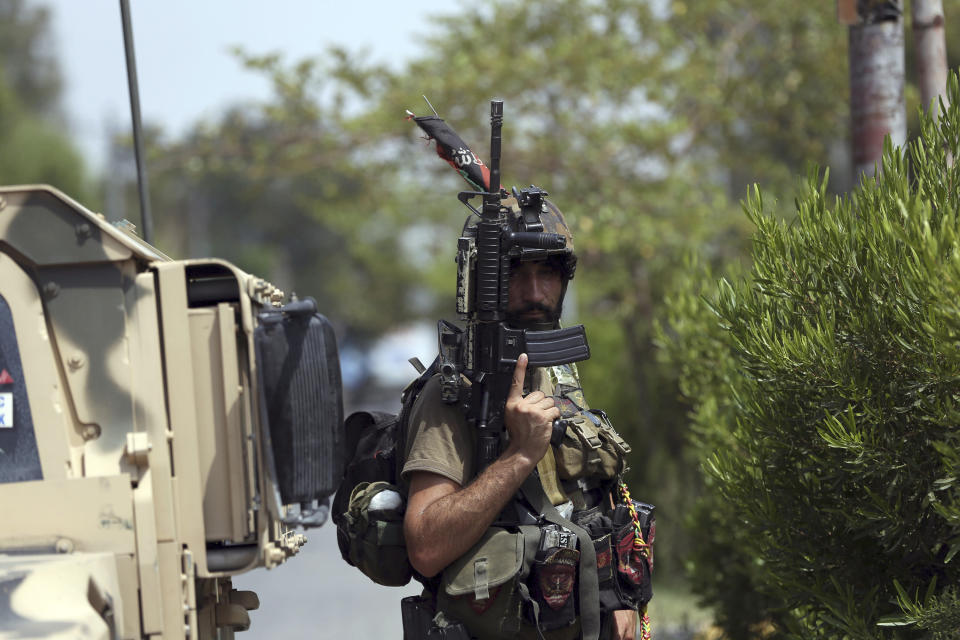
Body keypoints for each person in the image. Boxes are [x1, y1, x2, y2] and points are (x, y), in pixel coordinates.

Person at [401, 199, 648, 640]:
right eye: (515, 273)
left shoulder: (558, 372)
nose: (535, 294)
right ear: (481, 282)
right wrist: (519, 455)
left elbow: (591, 496)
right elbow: (426, 545)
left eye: (547, 273)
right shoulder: (452, 394)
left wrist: (617, 598)